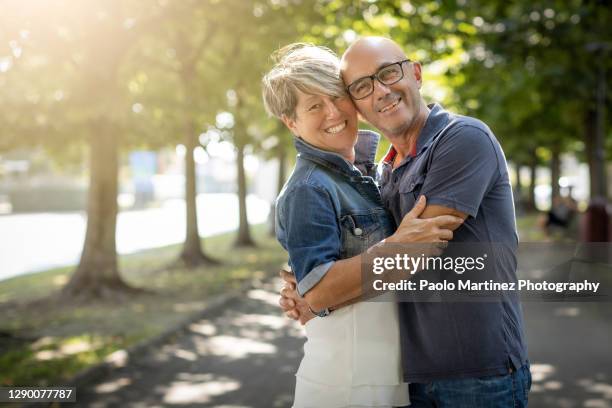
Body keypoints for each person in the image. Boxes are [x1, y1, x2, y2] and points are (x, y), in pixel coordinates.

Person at [280, 37, 532, 407]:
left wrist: (319, 299)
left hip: (476, 375)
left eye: (388, 73)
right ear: (360, 106)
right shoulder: (384, 171)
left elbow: (413, 253)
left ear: (415, 73)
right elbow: (384, 255)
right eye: (363, 86)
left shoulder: (463, 139)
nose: (381, 91)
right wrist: (316, 291)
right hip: (411, 377)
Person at [262, 43, 462, 408]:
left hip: (387, 377)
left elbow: (317, 295)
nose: (333, 112)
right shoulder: (308, 188)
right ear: (291, 122)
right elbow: (320, 293)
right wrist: (398, 248)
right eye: (313, 106)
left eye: (337, 97)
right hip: (348, 383)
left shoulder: (369, 175)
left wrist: (311, 298)